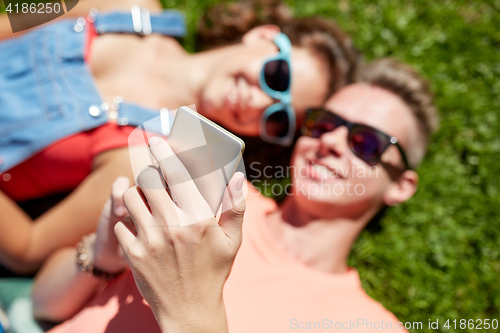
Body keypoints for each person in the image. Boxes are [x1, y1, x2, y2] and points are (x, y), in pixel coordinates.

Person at [32, 57, 439, 332]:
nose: (331, 141)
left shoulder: (366, 325)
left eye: (364, 141)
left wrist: (187, 305)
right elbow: (43, 304)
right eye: (323, 123)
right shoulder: (215, 194)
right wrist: (101, 256)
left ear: (401, 185)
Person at [0, 0, 361, 274]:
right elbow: (15, 16)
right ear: (264, 36)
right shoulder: (127, 4)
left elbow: (28, 247)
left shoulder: (146, 157)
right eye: (277, 76)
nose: (260, 101)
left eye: (278, 119)